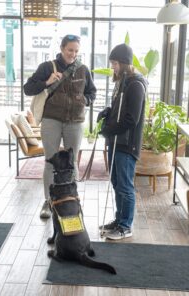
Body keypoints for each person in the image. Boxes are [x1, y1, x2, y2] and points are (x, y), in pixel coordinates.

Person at [24, 34, 96, 219]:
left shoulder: (83, 69)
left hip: (75, 121)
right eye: (70, 50)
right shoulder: (47, 67)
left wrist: (85, 100)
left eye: (76, 51)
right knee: (50, 161)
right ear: (62, 48)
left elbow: (92, 92)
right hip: (51, 120)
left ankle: (70, 200)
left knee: (72, 162)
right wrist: (47, 82)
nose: (73, 54)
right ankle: (48, 202)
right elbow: (28, 88)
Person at [98, 43, 147, 240]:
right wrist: (107, 113)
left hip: (127, 144)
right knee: (116, 181)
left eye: (115, 63)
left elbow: (131, 119)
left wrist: (110, 129)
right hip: (116, 141)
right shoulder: (122, 83)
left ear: (125, 63)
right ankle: (119, 220)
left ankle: (126, 226)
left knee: (125, 186)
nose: (113, 67)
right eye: (112, 63)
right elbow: (118, 111)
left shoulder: (136, 84)